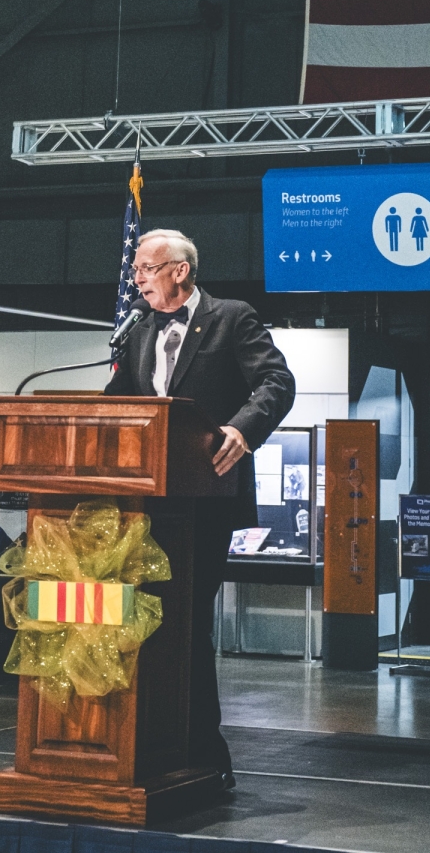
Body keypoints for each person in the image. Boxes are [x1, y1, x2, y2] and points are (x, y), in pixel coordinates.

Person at [105, 228, 294, 788]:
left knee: (185, 622)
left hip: (204, 503)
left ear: (178, 271)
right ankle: (147, 745)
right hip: (143, 505)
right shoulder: (137, 330)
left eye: (144, 267)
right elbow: (118, 404)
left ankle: (202, 751)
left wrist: (242, 429)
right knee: (144, 624)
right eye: (136, 268)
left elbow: (276, 381)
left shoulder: (231, 317)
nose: (135, 277)